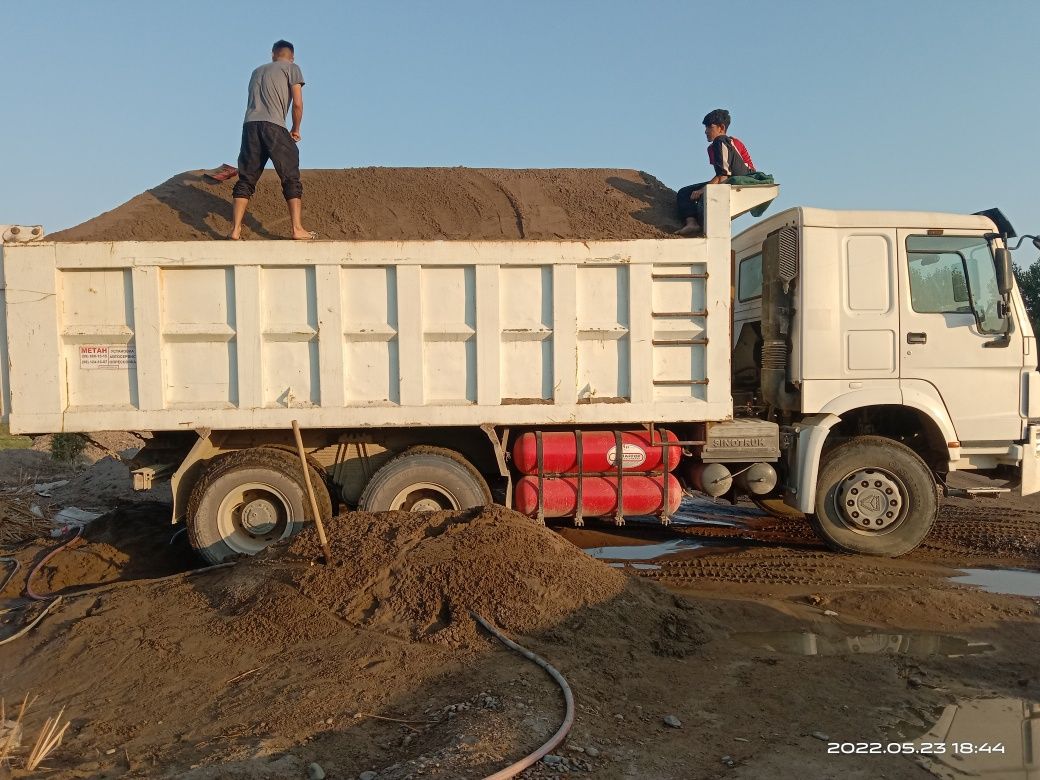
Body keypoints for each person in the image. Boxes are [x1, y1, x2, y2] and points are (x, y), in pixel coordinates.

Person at [229, 40, 312, 240]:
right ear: (291, 57)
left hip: (250, 126)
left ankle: (235, 230)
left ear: (273, 54)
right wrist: (296, 128)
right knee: (290, 175)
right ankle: (297, 228)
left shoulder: (256, 71)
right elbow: (298, 104)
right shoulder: (292, 68)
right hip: (274, 126)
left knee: (246, 178)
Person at [676, 109, 755, 237]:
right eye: (705, 127)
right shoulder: (712, 148)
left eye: (709, 126)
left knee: (700, 190)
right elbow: (720, 173)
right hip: (726, 175)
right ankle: (692, 223)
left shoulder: (724, 141)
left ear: (721, 127)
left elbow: (723, 174)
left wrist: (704, 190)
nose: (706, 131)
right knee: (684, 193)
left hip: (744, 174)